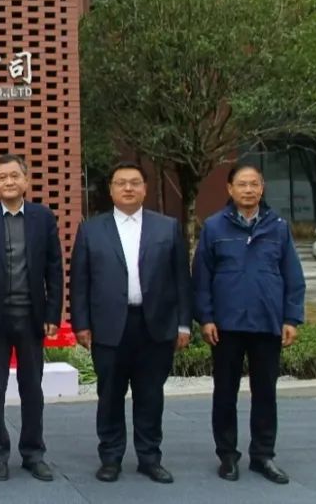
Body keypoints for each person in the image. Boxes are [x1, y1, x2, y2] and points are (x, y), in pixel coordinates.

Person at [70, 161, 192, 484]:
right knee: (110, 395)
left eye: (134, 182)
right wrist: (81, 324)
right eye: (121, 182)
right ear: (110, 189)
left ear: (144, 189)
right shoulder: (91, 230)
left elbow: (181, 279)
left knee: (150, 395)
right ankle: (110, 458)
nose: (128, 188)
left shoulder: (167, 227)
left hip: (155, 325)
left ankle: (150, 458)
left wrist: (183, 324)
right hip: (109, 326)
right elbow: (80, 282)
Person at [193, 162, 305, 485]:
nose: (248, 190)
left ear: (262, 188)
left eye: (254, 184)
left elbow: (293, 276)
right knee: (225, 393)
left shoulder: (278, 227)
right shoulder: (214, 227)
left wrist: (291, 317)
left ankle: (263, 455)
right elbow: (201, 279)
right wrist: (206, 317)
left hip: (266, 323)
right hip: (225, 326)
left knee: (265, 392)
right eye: (242, 184)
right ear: (230, 189)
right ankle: (227, 455)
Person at [0, 154, 63, 482]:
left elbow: (54, 268)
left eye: (14, 176)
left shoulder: (42, 217)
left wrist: (53, 312)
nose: (9, 181)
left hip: (32, 317)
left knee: (32, 389)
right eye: (2, 177)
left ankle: (33, 453)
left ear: (26, 180)